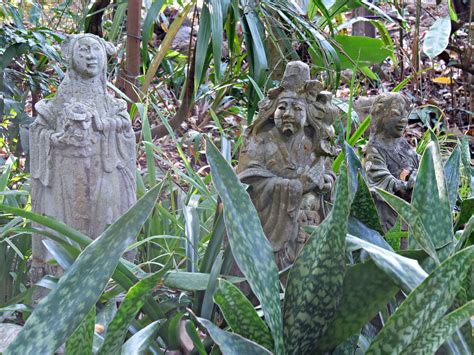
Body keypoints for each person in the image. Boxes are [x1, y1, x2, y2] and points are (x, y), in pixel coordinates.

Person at [29, 34, 136, 280]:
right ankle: (59, 283)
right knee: (64, 232)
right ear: (71, 58)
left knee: (104, 226)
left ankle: (106, 284)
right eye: (83, 50)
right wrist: (56, 139)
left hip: (104, 174)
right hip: (66, 180)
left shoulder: (112, 104)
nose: (90, 56)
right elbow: (39, 130)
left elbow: (125, 129)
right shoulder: (59, 102)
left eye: (95, 50)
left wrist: (104, 124)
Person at [236, 61, 338, 269]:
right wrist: (297, 186)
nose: (288, 114)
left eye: (297, 108)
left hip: (308, 226)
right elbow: (246, 180)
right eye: (282, 107)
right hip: (270, 225)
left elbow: (327, 172)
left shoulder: (315, 142)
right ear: (272, 110)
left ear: (308, 113)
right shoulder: (259, 141)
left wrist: (326, 183)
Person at [363, 92, 419, 232]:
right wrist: (409, 184)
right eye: (395, 114)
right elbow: (381, 182)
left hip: (413, 216)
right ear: (380, 116)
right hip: (391, 221)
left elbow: (421, 164)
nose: (403, 120)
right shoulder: (373, 150)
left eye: (405, 115)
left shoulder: (402, 144)